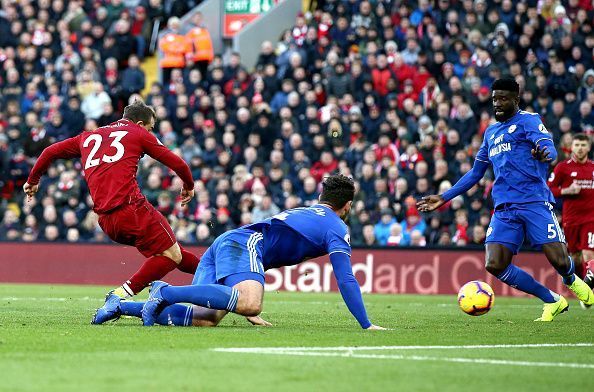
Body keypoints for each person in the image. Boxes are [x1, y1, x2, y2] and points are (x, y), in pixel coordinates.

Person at [417, 78, 594, 321]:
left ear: (515, 100)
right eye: (494, 99)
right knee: (495, 263)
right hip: (504, 208)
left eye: (503, 99)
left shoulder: (529, 121)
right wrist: (444, 197)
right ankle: (552, 299)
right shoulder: (491, 132)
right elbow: (476, 173)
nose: (497, 104)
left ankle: (571, 279)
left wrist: (544, 154)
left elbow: (549, 148)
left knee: (560, 261)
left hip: (534, 201)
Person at [108, 174, 385, 329]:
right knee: (250, 302)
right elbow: (346, 278)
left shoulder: (307, 211)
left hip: (230, 242)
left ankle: (120, 306)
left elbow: (272, 244)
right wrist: (366, 324)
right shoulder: (336, 226)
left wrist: (242, 298)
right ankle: (165, 292)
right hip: (243, 243)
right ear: (347, 205)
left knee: (205, 320)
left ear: (321, 198)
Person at [23, 101, 200, 324]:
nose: (150, 132)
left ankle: (220, 281)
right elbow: (179, 164)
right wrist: (189, 185)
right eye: (151, 127)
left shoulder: (87, 136)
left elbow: (49, 151)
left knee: (172, 253)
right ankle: (118, 297)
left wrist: (32, 181)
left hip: (107, 222)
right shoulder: (137, 133)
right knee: (171, 255)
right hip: (132, 209)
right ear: (139, 123)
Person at [547, 133, 594, 304]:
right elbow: (548, 190)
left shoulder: (593, 168)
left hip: (591, 219)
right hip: (571, 219)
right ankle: (583, 288)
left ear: (588, 147)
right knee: (574, 256)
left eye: (583, 145)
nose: (580, 148)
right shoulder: (562, 168)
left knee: (589, 252)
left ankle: (588, 292)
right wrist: (566, 191)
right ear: (571, 147)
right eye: (577, 145)